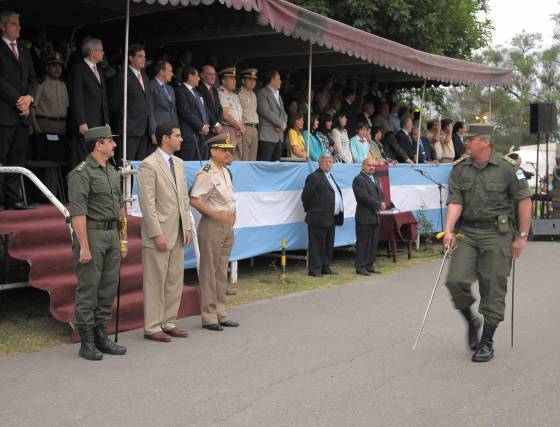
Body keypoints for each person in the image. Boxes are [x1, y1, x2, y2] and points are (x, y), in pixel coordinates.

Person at [442, 123, 531, 363]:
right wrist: (448, 230)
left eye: (470, 139)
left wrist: (521, 237)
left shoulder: (509, 169)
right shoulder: (460, 169)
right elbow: (455, 201)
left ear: (485, 141)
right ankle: (471, 319)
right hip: (468, 232)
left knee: (493, 287)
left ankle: (487, 341)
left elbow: (524, 201)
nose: (466, 142)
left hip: (497, 233)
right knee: (455, 280)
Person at [67, 125, 127, 360]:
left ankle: (101, 335)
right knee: (89, 288)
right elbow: (78, 213)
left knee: (108, 286)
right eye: (110, 141)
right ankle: (87, 341)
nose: (114, 144)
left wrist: (123, 238)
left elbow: (121, 207)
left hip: (111, 233)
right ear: (98, 145)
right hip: (91, 233)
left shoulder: (112, 171)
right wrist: (84, 246)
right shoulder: (80, 174)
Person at [138, 122, 192, 342]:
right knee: (154, 280)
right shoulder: (148, 165)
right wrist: (156, 233)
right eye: (177, 136)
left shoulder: (178, 163)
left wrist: (187, 226)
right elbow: (147, 202)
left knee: (174, 279)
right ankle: (152, 326)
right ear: (164, 138)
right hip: (159, 233)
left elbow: (184, 198)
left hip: (178, 230)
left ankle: (168, 321)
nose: (181, 139)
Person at [190, 134, 240, 331]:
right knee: (209, 271)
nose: (229, 153)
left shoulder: (225, 171)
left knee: (221, 270)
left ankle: (220, 312)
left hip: (227, 226)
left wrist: (231, 216)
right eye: (224, 150)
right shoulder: (207, 172)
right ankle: (209, 316)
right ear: (213, 151)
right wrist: (216, 215)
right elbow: (195, 199)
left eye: (230, 150)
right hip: (212, 225)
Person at [0, 10, 37, 211]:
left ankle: (12, 199)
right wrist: (18, 100)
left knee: (17, 157)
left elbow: (33, 78)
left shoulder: (23, 49)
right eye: (14, 24)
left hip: (23, 114)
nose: (19, 27)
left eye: (19, 24)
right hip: (4, 112)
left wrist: (29, 98)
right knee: (1, 157)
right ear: (3, 26)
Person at [301, 152, 344, 277]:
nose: (328, 163)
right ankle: (315, 269)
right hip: (318, 217)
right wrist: (313, 210)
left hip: (331, 217)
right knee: (316, 245)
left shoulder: (330, 177)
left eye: (330, 161)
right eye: (325, 161)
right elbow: (305, 197)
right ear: (319, 162)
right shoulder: (314, 177)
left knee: (328, 244)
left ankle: (326, 267)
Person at [68, 37, 109, 167]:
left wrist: (106, 121)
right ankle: (79, 186)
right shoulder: (79, 69)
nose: (103, 53)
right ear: (92, 52)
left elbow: (103, 98)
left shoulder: (99, 70)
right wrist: (81, 121)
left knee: (95, 156)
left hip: (99, 122)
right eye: (101, 50)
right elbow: (76, 97)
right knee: (82, 157)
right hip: (85, 123)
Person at [110, 44, 154, 161]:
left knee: (140, 165)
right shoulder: (122, 76)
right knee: (126, 164)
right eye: (140, 56)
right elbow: (114, 104)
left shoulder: (145, 77)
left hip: (144, 129)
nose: (143, 59)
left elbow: (148, 103)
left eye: (144, 56)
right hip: (128, 129)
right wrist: (125, 121)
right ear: (130, 58)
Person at [352, 158, 386, 275]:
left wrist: (382, 203)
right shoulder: (358, 179)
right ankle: (360, 267)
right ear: (363, 166)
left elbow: (381, 195)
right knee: (363, 243)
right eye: (369, 165)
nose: (371, 167)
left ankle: (369, 265)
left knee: (373, 243)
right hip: (364, 217)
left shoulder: (376, 179)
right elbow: (363, 197)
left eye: (373, 165)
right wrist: (378, 205)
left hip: (375, 217)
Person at [175, 66, 210, 160]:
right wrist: (201, 126)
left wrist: (206, 124)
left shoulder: (197, 93)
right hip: (189, 135)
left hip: (201, 136)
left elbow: (204, 110)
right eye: (197, 76)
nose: (199, 78)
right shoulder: (180, 91)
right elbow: (185, 111)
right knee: (188, 163)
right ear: (190, 77)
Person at [256, 70, 287, 161]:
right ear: (272, 80)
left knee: (276, 164)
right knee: (265, 163)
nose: (280, 81)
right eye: (278, 79)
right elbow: (265, 111)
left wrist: (283, 124)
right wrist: (280, 124)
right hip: (267, 135)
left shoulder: (279, 95)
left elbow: (284, 113)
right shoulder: (262, 93)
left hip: (279, 136)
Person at [218, 67, 245, 158]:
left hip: (238, 131)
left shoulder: (235, 96)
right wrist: (240, 127)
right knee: (228, 158)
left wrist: (241, 127)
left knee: (239, 159)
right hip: (228, 129)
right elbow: (225, 115)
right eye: (231, 79)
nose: (235, 81)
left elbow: (241, 114)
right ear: (223, 81)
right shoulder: (220, 93)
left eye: (234, 79)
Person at [197, 64, 224, 149]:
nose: (213, 77)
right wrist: (215, 124)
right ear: (202, 76)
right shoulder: (199, 89)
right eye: (210, 74)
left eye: (214, 74)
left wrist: (218, 124)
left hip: (216, 130)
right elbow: (205, 109)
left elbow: (220, 109)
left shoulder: (214, 90)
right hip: (207, 129)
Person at [148, 61, 178, 129]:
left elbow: (173, 110)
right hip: (159, 129)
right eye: (170, 71)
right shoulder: (150, 86)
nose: (172, 74)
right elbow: (150, 111)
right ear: (161, 72)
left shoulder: (170, 88)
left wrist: (177, 127)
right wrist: (153, 131)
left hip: (172, 128)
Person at [238, 68, 259, 161]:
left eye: (254, 80)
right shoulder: (239, 93)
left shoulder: (254, 94)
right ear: (243, 80)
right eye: (249, 79)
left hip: (254, 127)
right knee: (244, 158)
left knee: (253, 158)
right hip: (245, 127)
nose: (252, 82)